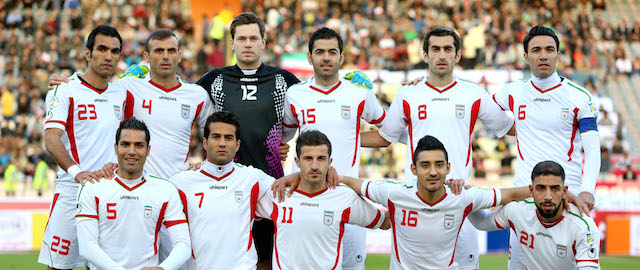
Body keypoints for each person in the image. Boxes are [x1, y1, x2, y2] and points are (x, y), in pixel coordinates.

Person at [359, 26, 515, 270]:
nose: (442, 55)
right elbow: (384, 137)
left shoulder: (474, 93)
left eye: (448, 49)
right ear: (425, 55)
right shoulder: (408, 93)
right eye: (435, 49)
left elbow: (508, 128)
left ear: (458, 55)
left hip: (457, 198)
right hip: (415, 200)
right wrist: (341, 139)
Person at [339, 135, 581, 269]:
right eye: (425, 165)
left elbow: (506, 194)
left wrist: (553, 194)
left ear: (448, 168)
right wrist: (334, 176)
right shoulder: (394, 193)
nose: (433, 172)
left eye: (438, 165)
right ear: (413, 169)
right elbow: (352, 182)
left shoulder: (462, 195)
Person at [491, 25, 601, 270]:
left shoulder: (580, 96)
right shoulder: (514, 91)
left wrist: (588, 189)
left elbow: (593, 148)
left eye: (550, 50)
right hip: (523, 201)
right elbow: (481, 109)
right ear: (525, 56)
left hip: (566, 198)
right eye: (536, 50)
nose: (543, 55)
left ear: (558, 55)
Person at [280, 27, 386, 270]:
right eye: (319, 52)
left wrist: (350, 139)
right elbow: (283, 140)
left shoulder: (359, 92)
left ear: (342, 56)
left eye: (332, 52)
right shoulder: (295, 94)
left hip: (347, 197)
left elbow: (386, 135)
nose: (326, 57)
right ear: (310, 57)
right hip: (307, 199)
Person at [38, 25, 128, 270]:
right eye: (101, 49)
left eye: (114, 51)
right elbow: (51, 139)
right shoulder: (64, 88)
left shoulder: (123, 93)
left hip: (111, 193)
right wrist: (77, 173)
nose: (108, 56)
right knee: (58, 266)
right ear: (87, 53)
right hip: (72, 191)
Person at [170, 111, 296, 269]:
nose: (222, 143)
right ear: (205, 142)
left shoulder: (253, 178)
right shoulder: (181, 182)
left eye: (228, 138)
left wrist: (300, 176)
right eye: (216, 137)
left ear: (237, 144)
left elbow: (295, 197)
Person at [256, 130, 390, 269]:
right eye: (308, 158)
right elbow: (241, 208)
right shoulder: (277, 194)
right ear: (297, 161)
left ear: (329, 162)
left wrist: (408, 200)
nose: (314, 166)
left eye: (321, 158)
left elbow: (384, 222)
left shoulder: (344, 197)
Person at [76, 118, 191, 270]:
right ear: (116, 148)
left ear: (148, 150)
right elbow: (87, 247)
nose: (132, 151)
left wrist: (163, 268)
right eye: (125, 144)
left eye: (139, 145)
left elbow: (183, 244)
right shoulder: (92, 187)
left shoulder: (165, 189)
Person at [469, 161, 601, 270]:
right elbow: (481, 222)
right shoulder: (518, 211)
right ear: (531, 191)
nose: (548, 196)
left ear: (565, 191)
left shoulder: (583, 226)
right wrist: (466, 196)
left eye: (555, 188)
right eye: (541, 188)